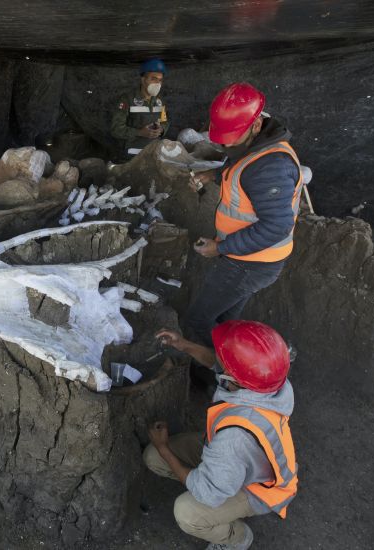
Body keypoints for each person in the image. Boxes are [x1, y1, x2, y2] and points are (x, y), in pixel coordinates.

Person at [145, 320, 297, 550]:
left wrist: (164, 446)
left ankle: (236, 538)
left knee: (187, 512)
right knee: (153, 457)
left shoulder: (234, 438)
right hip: (239, 460)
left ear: (234, 377)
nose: (219, 360)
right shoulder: (267, 378)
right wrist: (183, 344)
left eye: (226, 362)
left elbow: (208, 494)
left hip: (258, 487)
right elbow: (221, 365)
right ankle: (216, 484)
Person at [183, 82, 303, 347]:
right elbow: (242, 173)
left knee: (196, 321)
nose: (226, 143)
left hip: (250, 262)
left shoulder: (270, 165)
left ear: (257, 123)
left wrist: (221, 247)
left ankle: (211, 379)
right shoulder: (253, 145)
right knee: (226, 321)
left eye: (232, 136)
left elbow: (276, 225)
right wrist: (213, 175)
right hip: (249, 257)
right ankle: (229, 368)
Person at [110, 58, 170, 160]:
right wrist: (139, 132)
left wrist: (162, 129)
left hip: (153, 155)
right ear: (143, 79)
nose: (157, 83)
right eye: (153, 78)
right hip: (130, 157)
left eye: (160, 80)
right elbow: (115, 129)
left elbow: (165, 121)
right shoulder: (127, 99)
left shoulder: (160, 101)